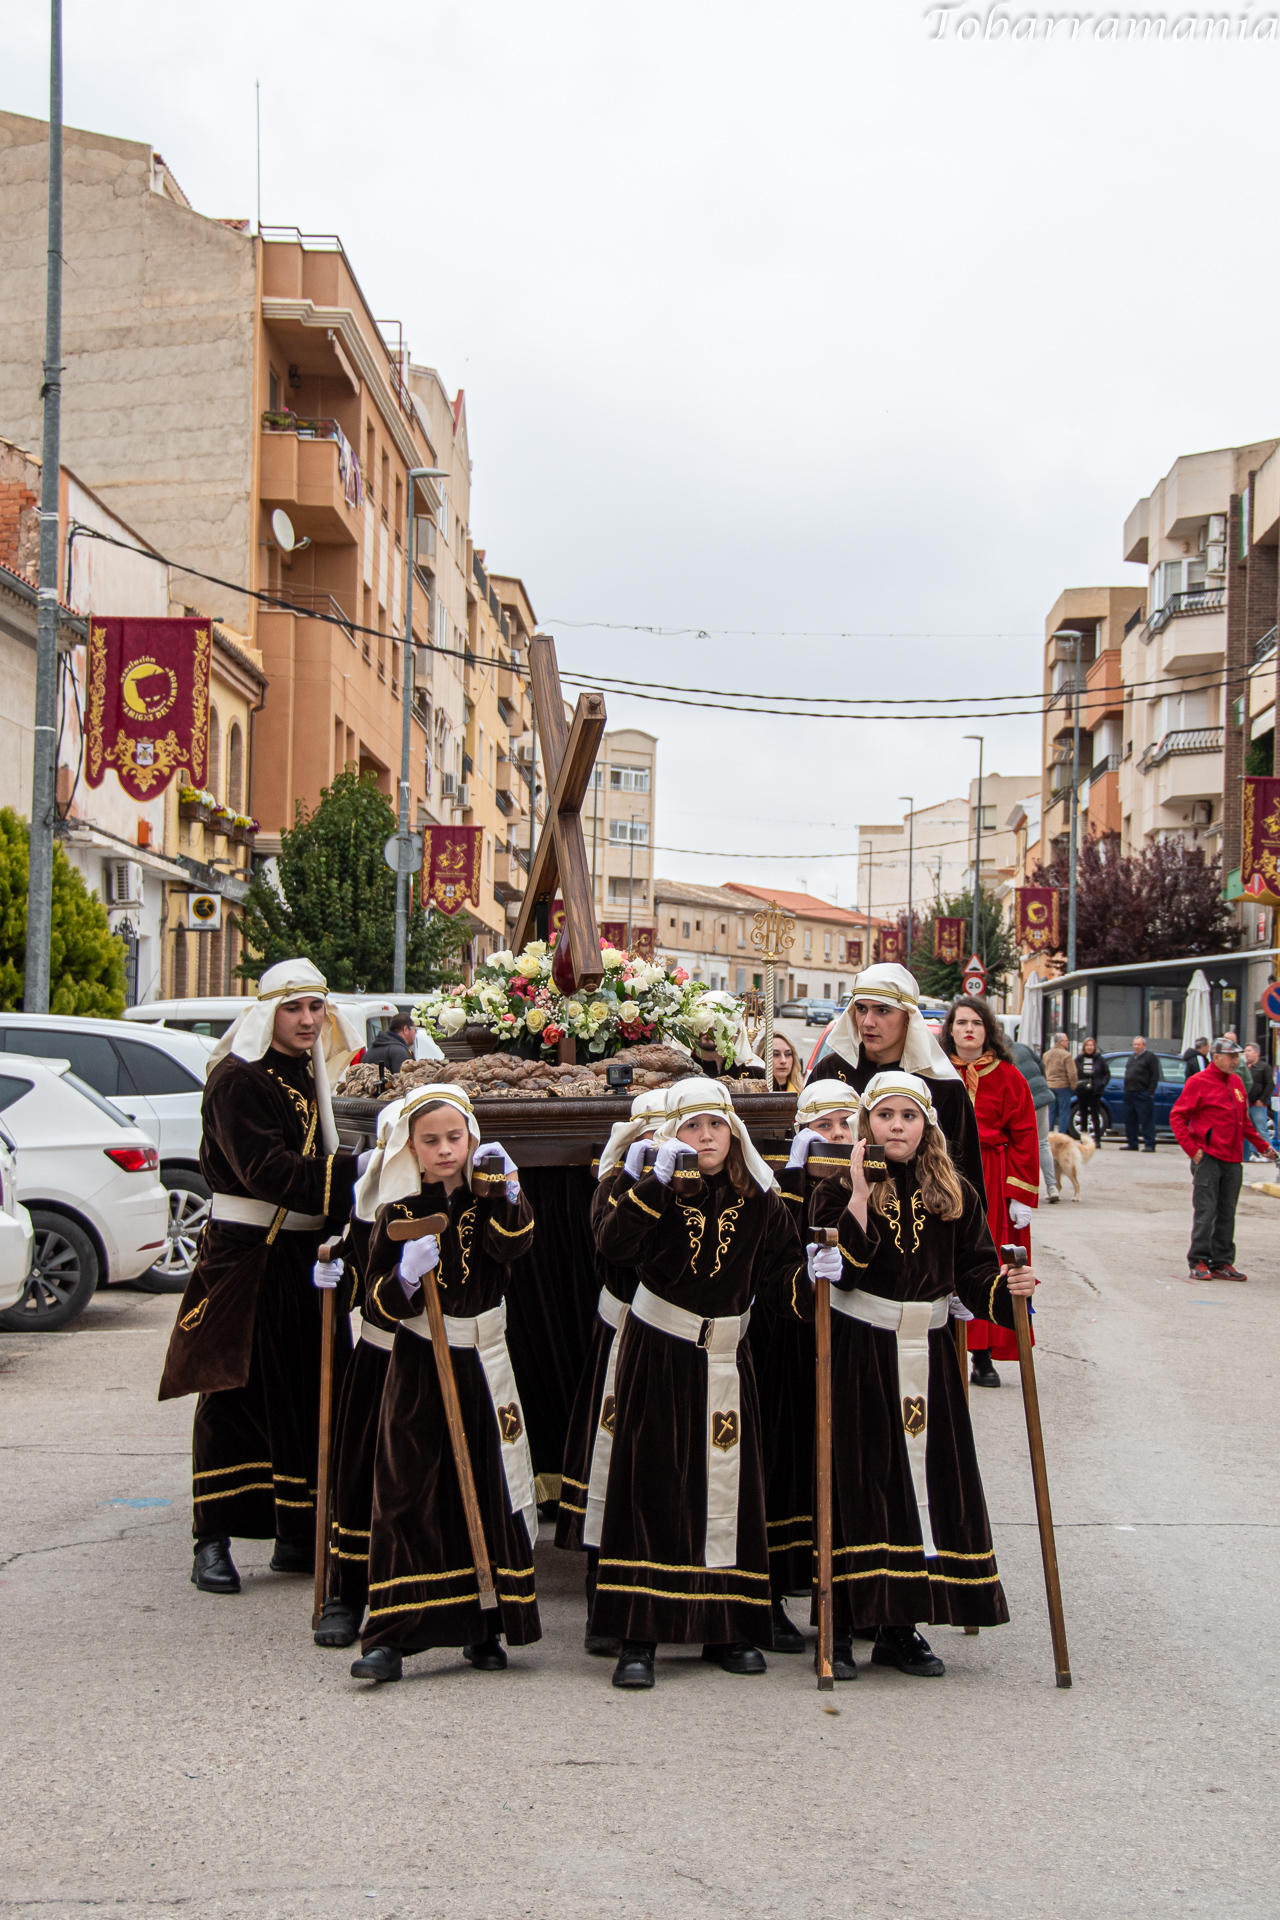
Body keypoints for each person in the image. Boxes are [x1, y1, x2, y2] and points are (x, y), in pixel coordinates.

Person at [806, 1071, 1035, 1679]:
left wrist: (1007, 1290)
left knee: (924, 1484)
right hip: (862, 1350)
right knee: (863, 1480)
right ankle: (847, 1624)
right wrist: (857, 1194)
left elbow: (975, 1269)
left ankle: (900, 1627)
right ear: (867, 1124)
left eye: (908, 1116)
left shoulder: (953, 1189)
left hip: (929, 1353)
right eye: (885, 1116)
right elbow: (842, 1275)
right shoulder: (833, 1189)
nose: (897, 1127)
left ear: (926, 1124)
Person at [592, 1078, 805, 1690]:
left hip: (727, 1359)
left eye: (715, 1125)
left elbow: (782, 1270)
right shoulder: (654, 1192)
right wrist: (653, 1184)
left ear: (733, 1135)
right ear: (671, 1136)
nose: (706, 1136)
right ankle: (640, 1632)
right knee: (652, 1484)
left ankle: (727, 1625)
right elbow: (613, 1246)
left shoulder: (761, 1202)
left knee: (728, 1491)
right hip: (659, 1352)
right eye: (691, 1126)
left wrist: (814, 1278)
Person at [159, 959, 363, 1595]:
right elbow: (267, 1173)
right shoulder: (237, 1081)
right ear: (266, 1013)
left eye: (315, 1009)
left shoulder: (310, 1071)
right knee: (232, 1395)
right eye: (293, 1009)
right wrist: (364, 1174)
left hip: (304, 1259)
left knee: (309, 1391)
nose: (307, 1021)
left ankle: (297, 1533)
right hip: (246, 1255)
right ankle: (211, 1538)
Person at [350, 1085, 539, 1684]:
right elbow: (376, 1305)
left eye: (454, 1137)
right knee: (409, 1489)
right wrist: (404, 1279)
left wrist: (508, 1193)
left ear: (472, 1138)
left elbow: (515, 1248)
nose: (444, 1150)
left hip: (484, 1358)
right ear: (411, 1146)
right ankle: (391, 1631)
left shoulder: (491, 1198)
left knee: (485, 1484)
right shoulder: (397, 1212)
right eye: (430, 1140)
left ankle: (486, 1622)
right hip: (422, 1361)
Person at [555, 1085, 669, 1654]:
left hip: (677, 1347)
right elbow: (616, 1250)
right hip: (624, 1335)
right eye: (646, 1136)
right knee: (610, 1461)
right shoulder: (612, 1190)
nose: (657, 1145)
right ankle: (604, 1589)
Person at [761, 1080, 861, 1652]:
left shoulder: (865, 1177)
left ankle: (840, 1598)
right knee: (782, 1464)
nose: (837, 1136)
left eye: (846, 1126)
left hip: (848, 1340)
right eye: (825, 1126)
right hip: (786, 1339)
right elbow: (773, 1247)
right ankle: (769, 1594)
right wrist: (794, 1184)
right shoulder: (780, 1177)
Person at [312, 1101, 405, 1649]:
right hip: (381, 1357)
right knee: (360, 1473)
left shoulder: (458, 1194)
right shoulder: (369, 1200)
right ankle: (346, 1593)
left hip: (438, 1360)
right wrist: (335, 1274)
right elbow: (355, 1266)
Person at [805, 963, 986, 1205]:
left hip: (920, 1220)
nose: (868, 1021)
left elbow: (965, 1174)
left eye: (882, 1010)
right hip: (837, 1212)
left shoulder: (943, 1085)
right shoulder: (830, 1071)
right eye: (861, 1009)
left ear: (908, 1017)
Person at [942, 996, 1040, 1390]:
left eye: (976, 1023)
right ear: (949, 1030)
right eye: (961, 1022)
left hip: (993, 1178)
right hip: (944, 1171)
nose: (968, 1029)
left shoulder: (1009, 1077)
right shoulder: (935, 1073)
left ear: (988, 1031)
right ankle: (945, 1348)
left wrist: (1022, 1194)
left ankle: (982, 1357)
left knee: (986, 1261)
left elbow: (1026, 1135)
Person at [1169, 1038, 1278, 1281]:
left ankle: (1222, 1262)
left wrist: (1264, 1147)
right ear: (1215, 1057)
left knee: (1227, 1212)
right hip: (1208, 1157)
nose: (1235, 1061)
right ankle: (1198, 1260)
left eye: (1237, 1056)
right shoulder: (1198, 1082)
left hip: (1232, 1159)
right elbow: (1177, 1117)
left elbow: (1245, 1123)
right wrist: (1193, 1150)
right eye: (1231, 1056)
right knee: (1206, 1211)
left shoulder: (1237, 1082)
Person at [1011, 1037, 1060, 1203]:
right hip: (1042, 1095)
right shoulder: (1023, 1047)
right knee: (1043, 1142)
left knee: (1020, 1144)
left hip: (1024, 1100)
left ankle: (1026, 1188)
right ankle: (1052, 1187)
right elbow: (1041, 1066)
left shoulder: (998, 1055)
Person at [1122, 1036, 1159, 1152]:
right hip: (1129, 1092)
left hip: (1142, 1092)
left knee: (1146, 1119)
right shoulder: (1131, 1058)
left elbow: (1155, 1075)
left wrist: (1150, 1092)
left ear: (1144, 1046)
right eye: (1134, 1044)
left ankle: (1150, 1144)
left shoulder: (1150, 1057)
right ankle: (1132, 1143)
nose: (1136, 1047)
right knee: (1130, 1119)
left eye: (1138, 1044)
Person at [1074, 1036, 1111, 1149]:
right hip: (1082, 1091)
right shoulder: (1078, 1059)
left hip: (1095, 1091)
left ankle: (1097, 1139)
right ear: (1084, 1047)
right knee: (1083, 1115)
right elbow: (1074, 1073)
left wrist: (1101, 1084)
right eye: (1087, 1045)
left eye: (1091, 1045)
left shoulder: (1099, 1059)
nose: (1089, 1047)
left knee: (1095, 1115)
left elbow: (1106, 1073)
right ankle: (1084, 1139)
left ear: (1094, 1047)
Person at [1042, 1032, 1078, 1137]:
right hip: (1063, 1086)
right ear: (1060, 1042)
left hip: (1050, 1086)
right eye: (1066, 1041)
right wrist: (1073, 1086)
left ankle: (1049, 1134)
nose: (1068, 1043)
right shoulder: (1067, 1055)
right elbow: (1072, 1073)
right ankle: (1062, 1135)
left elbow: (1044, 1071)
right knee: (1064, 1112)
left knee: (1051, 1112)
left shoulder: (1046, 1054)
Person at [1243, 1043, 1274, 1160]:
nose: (1246, 1053)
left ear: (1257, 1053)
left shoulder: (1264, 1067)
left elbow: (1270, 1084)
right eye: (1245, 1051)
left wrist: (1262, 1099)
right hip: (1246, 1103)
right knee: (1250, 1130)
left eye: (1249, 1051)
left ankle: (1269, 1152)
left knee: (1261, 1129)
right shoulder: (1244, 1067)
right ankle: (1252, 1153)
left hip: (1258, 1104)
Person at [365, 1013, 416, 1077]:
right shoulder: (399, 1051)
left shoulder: (373, 1047)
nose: (415, 1033)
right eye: (414, 1029)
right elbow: (406, 1081)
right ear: (405, 1029)